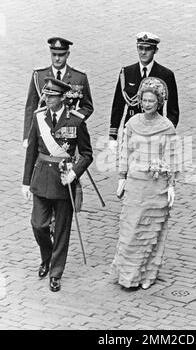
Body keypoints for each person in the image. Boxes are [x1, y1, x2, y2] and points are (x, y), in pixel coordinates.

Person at [22, 77, 93, 292]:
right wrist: (26, 182)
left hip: (64, 181)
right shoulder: (39, 117)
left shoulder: (76, 121)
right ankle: (46, 257)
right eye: (46, 95)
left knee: (62, 229)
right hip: (42, 178)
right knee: (39, 225)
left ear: (63, 98)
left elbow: (87, 154)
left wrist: (74, 173)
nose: (47, 99)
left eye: (52, 96)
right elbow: (32, 150)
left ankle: (56, 272)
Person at [110, 77, 180, 290]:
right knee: (131, 230)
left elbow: (171, 157)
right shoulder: (132, 124)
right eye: (144, 100)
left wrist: (171, 185)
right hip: (135, 185)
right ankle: (127, 275)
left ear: (159, 102)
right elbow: (125, 152)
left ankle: (147, 274)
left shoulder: (167, 127)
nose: (147, 104)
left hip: (156, 186)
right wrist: (122, 177)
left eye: (151, 101)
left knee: (151, 231)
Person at [108, 32, 179, 147]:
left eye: (148, 49)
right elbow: (118, 105)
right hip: (131, 128)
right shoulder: (126, 73)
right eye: (140, 48)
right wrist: (113, 135)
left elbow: (173, 110)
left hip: (155, 129)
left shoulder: (166, 75)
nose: (143, 52)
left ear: (155, 50)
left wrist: (167, 132)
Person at [23, 37, 94, 148]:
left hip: (67, 132)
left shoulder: (79, 77)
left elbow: (87, 107)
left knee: (68, 162)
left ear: (67, 54)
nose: (57, 58)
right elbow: (31, 108)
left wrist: (73, 120)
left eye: (61, 55)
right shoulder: (39, 76)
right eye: (54, 54)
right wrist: (27, 136)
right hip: (44, 129)